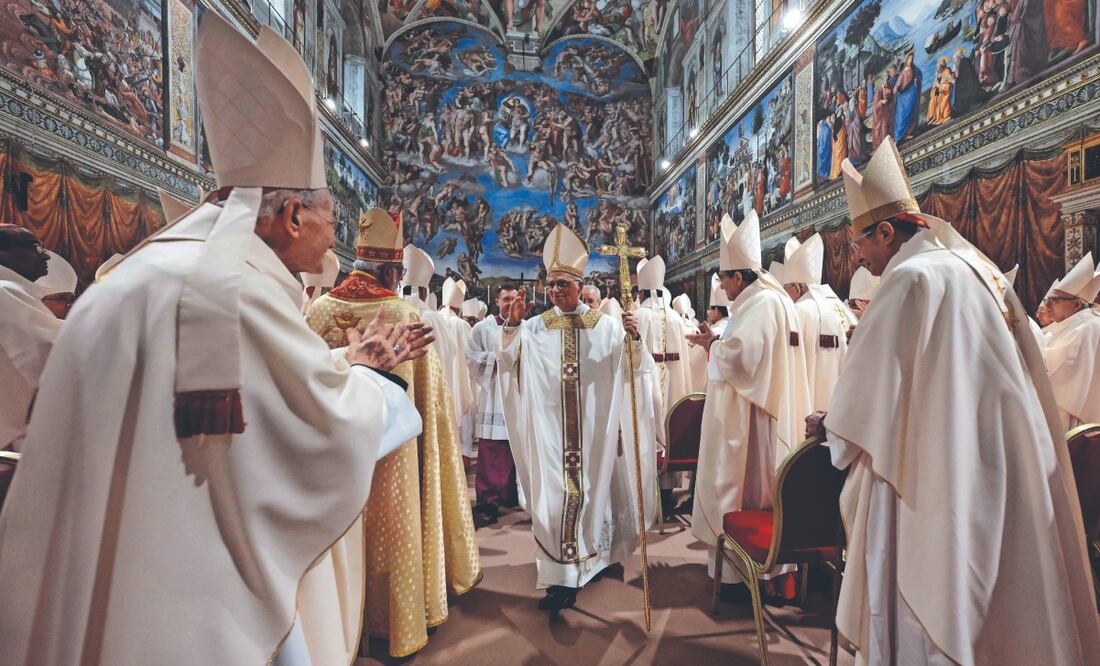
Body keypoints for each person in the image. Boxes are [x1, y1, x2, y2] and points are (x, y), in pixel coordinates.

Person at [0, 15, 432, 665]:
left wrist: (345, 358)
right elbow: (315, 429)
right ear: (290, 216)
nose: (331, 233)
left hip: (99, 569)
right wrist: (375, 382)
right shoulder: (232, 293)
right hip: (185, 597)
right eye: (327, 215)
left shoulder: (150, 271)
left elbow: (246, 392)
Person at [809, 137, 1100, 665]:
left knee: (930, 596)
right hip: (997, 465)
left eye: (860, 243)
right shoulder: (977, 268)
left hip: (928, 473)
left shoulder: (910, 278)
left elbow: (859, 408)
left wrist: (829, 427)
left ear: (885, 230)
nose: (859, 256)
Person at [305, 210, 481, 659]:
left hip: (332, 457)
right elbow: (432, 407)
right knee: (394, 528)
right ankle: (395, 620)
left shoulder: (320, 310)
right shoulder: (405, 313)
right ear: (390, 270)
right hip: (392, 463)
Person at [497, 224, 658, 612]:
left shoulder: (605, 327)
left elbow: (632, 370)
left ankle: (590, 564)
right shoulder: (535, 328)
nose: (555, 292)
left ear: (579, 282)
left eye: (563, 285)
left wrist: (633, 339)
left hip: (592, 434)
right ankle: (560, 580)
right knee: (554, 503)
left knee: (591, 498)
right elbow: (508, 362)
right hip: (550, 434)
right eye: (550, 286)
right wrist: (513, 325)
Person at [688, 212, 810, 592]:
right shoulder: (774, 300)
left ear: (738, 277)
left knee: (744, 490)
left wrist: (713, 345)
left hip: (752, 418)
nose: (721, 287)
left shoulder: (760, 304)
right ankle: (764, 572)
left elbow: (743, 359)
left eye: (723, 278)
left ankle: (741, 575)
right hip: (766, 408)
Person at [0, 225, 61, 451]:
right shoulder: (4, 290)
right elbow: (48, 356)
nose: (44, 254)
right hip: (36, 433)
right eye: (34, 246)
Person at [466, 284, 522, 526]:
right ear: (497, 301)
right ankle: (487, 501)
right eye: (506, 299)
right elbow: (471, 357)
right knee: (492, 448)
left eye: (515, 299)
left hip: (520, 394)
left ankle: (511, 496)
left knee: (516, 447)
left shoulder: (528, 327)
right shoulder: (483, 328)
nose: (510, 303)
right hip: (494, 393)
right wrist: (498, 360)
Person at [781, 234, 857, 411]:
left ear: (796, 287)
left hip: (811, 409)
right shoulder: (844, 310)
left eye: (786, 290)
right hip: (846, 406)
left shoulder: (799, 311)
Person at [1040, 252, 1100, 426]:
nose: (1048, 305)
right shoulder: (1068, 324)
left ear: (1077, 304)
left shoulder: (1089, 327)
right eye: (1048, 299)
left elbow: (1062, 372)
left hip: (1072, 413)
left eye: (1055, 300)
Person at [438, 276, 477, 459]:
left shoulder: (431, 319)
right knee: (463, 411)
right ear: (459, 308)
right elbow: (471, 356)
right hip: (458, 380)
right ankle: (462, 455)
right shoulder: (462, 325)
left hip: (436, 380)